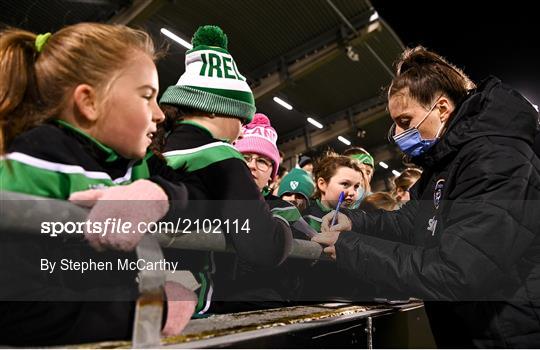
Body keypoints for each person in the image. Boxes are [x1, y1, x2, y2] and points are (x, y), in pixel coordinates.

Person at [313, 46, 540, 347]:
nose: (397, 133)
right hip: (472, 331)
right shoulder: (444, 163)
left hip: (510, 335)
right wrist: (354, 224)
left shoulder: (496, 158)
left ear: (442, 109)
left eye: (406, 121)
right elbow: (413, 224)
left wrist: (351, 249)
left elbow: (458, 272)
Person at [0, 23, 196, 345]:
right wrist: (149, 312)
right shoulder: (33, 163)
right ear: (89, 102)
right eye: (146, 96)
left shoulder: (126, 165)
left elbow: (201, 194)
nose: (160, 114)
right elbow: (18, 308)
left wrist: (161, 194)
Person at [157, 25, 292, 315]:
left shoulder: (162, 152)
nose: (242, 128)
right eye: (241, 117)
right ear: (215, 108)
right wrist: (282, 227)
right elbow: (264, 247)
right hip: (192, 308)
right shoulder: (220, 157)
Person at [303, 152, 364, 233]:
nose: (352, 192)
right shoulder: (304, 215)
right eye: (345, 184)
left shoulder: (357, 221)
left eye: (356, 187)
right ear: (322, 184)